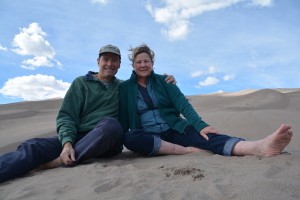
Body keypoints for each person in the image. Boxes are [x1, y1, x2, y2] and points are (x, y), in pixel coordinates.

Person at [0, 44, 175, 183]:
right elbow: (67, 116)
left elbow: (147, 85)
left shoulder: (124, 87)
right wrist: (67, 143)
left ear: (119, 65)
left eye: (114, 60)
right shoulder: (81, 83)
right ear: (98, 61)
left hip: (108, 140)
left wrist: (166, 81)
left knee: (111, 124)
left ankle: (61, 161)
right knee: (34, 146)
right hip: (79, 137)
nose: (110, 64)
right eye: (106, 59)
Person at [119, 44, 293, 157]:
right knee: (130, 137)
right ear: (133, 65)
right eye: (139, 62)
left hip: (174, 129)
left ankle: (257, 147)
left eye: (146, 61)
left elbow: (182, 104)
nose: (143, 65)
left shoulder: (165, 82)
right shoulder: (126, 88)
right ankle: (185, 151)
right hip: (149, 135)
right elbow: (124, 117)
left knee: (209, 137)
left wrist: (200, 125)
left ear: (152, 63)